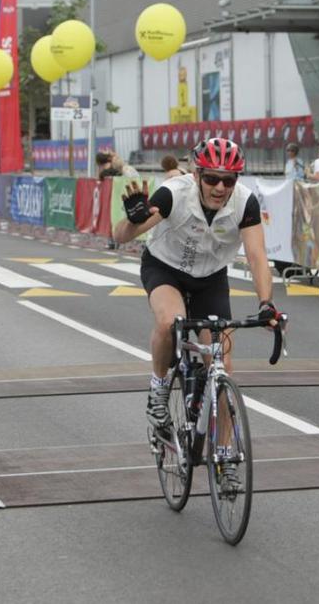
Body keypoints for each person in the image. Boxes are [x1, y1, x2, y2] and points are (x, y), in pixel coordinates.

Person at [112, 137, 280, 492]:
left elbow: (257, 255)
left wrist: (265, 303)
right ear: (197, 174)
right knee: (169, 321)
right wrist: (131, 221)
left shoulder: (244, 202)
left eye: (228, 180)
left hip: (210, 279)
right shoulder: (174, 193)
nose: (220, 187)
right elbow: (121, 236)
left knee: (222, 365)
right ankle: (159, 391)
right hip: (165, 269)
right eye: (212, 179)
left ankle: (225, 456)